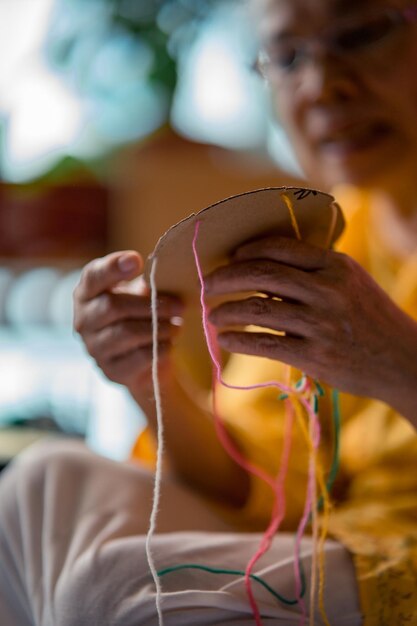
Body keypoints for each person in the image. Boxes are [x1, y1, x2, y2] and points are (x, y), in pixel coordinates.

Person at [1, 0, 417, 624]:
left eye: (359, 34)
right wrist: (153, 381)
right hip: (332, 542)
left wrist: (397, 363)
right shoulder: (329, 235)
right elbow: (254, 481)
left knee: (113, 587)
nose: (321, 85)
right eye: (287, 56)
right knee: (39, 482)